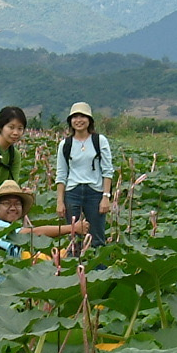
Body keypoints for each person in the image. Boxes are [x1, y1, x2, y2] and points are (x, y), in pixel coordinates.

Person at [55, 102, 114, 247]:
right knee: (73, 237)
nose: (78, 120)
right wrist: (60, 201)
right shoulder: (65, 144)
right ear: (70, 121)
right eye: (75, 117)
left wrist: (106, 197)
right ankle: (74, 268)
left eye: (83, 116)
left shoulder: (99, 141)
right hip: (72, 192)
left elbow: (107, 171)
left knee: (97, 238)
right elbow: (61, 174)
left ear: (89, 120)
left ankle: (99, 269)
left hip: (95, 192)